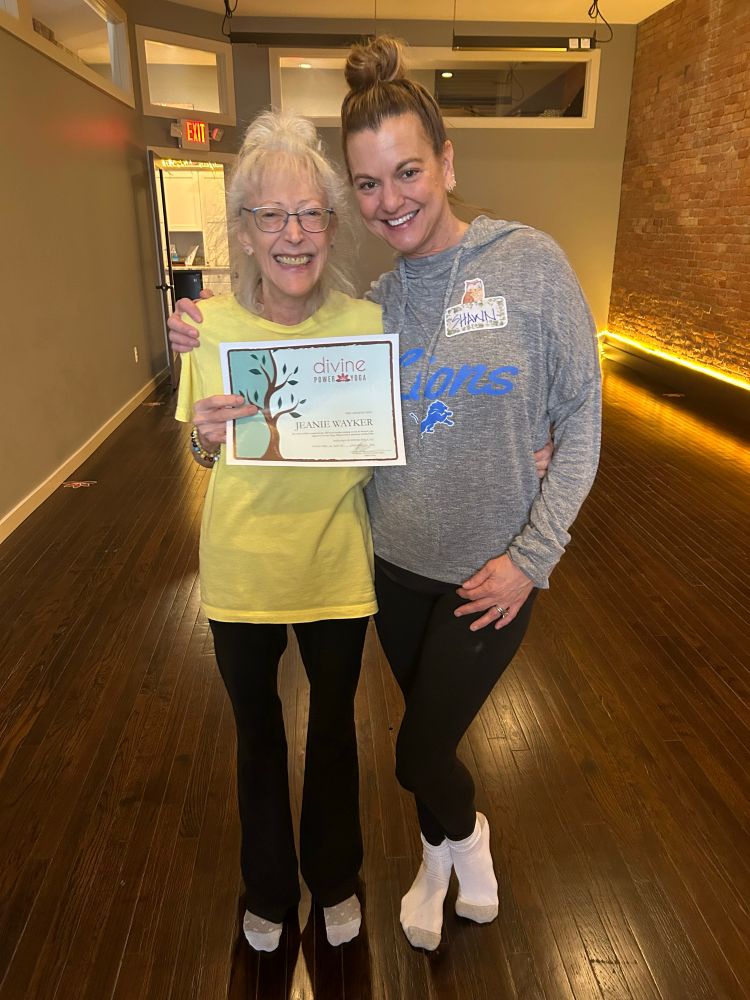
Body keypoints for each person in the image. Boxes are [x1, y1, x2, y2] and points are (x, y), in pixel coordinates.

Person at [169, 37, 600, 953]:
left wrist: (533, 528)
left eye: (406, 172)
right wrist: (202, 409)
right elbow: (260, 439)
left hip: (430, 574)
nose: (389, 199)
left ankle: (425, 853)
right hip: (359, 570)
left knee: (401, 746)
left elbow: (568, 412)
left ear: (446, 163)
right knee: (318, 741)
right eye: (368, 184)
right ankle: (372, 871)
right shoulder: (316, 315)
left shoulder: (460, 287)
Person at [175, 110, 384, 953]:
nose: (292, 236)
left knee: (333, 733)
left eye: (310, 214)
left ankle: (334, 877)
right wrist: (203, 437)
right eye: (271, 215)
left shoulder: (366, 325)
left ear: (333, 226)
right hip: (241, 571)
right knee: (257, 736)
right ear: (244, 230)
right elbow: (201, 451)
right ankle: (266, 886)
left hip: (336, 566)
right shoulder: (207, 328)